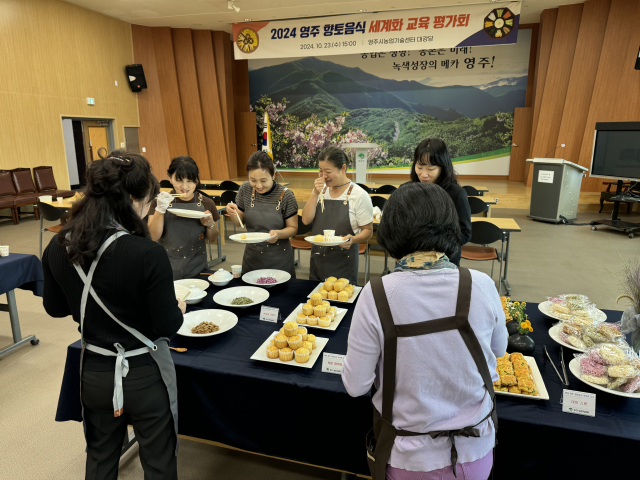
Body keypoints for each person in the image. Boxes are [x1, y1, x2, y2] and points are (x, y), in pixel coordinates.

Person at [342, 182, 507, 480]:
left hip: (409, 458)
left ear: (391, 231)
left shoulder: (377, 293)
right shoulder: (481, 284)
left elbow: (355, 386)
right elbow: (498, 350)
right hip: (476, 452)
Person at [42, 150, 185, 480]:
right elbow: (167, 326)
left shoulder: (58, 244)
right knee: (160, 462)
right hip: (144, 373)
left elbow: (55, 308)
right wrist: (177, 307)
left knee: (100, 458)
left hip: (94, 370)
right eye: (148, 201)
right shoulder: (147, 253)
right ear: (134, 199)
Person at [301, 146, 373, 285]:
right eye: (320, 171)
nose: (323, 176)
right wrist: (315, 193)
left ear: (343, 168)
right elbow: (305, 220)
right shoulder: (320, 190)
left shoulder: (359, 195)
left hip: (343, 262)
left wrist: (352, 240)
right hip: (318, 259)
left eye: (328, 171)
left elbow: (368, 231)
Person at [225, 151, 298, 276]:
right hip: (252, 256)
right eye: (253, 180)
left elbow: (293, 228)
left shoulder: (286, 195)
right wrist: (233, 213)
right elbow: (239, 223)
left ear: (273, 175)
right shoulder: (245, 189)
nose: (258, 186)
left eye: (263, 180)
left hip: (279, 259)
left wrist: (278, 234)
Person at [147, 156, 219, 279]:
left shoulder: (207, 203)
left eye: (190, 180)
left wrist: (210, 224)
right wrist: (160, 209)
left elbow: (213, 238)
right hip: (167, 269)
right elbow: (153, 236)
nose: (184, 186)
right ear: (170, 178)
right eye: (179, 180)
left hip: (198, 269)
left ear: (197, 179)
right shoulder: (159, 202)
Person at [410, 138, 471, 266]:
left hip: (444, 261)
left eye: (430, 169)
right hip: (411, 259)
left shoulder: (456, 194)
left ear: (443, 167)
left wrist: (432, 242)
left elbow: (465, 234)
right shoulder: (407, 190)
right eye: (419, 167)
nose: (423, 174)